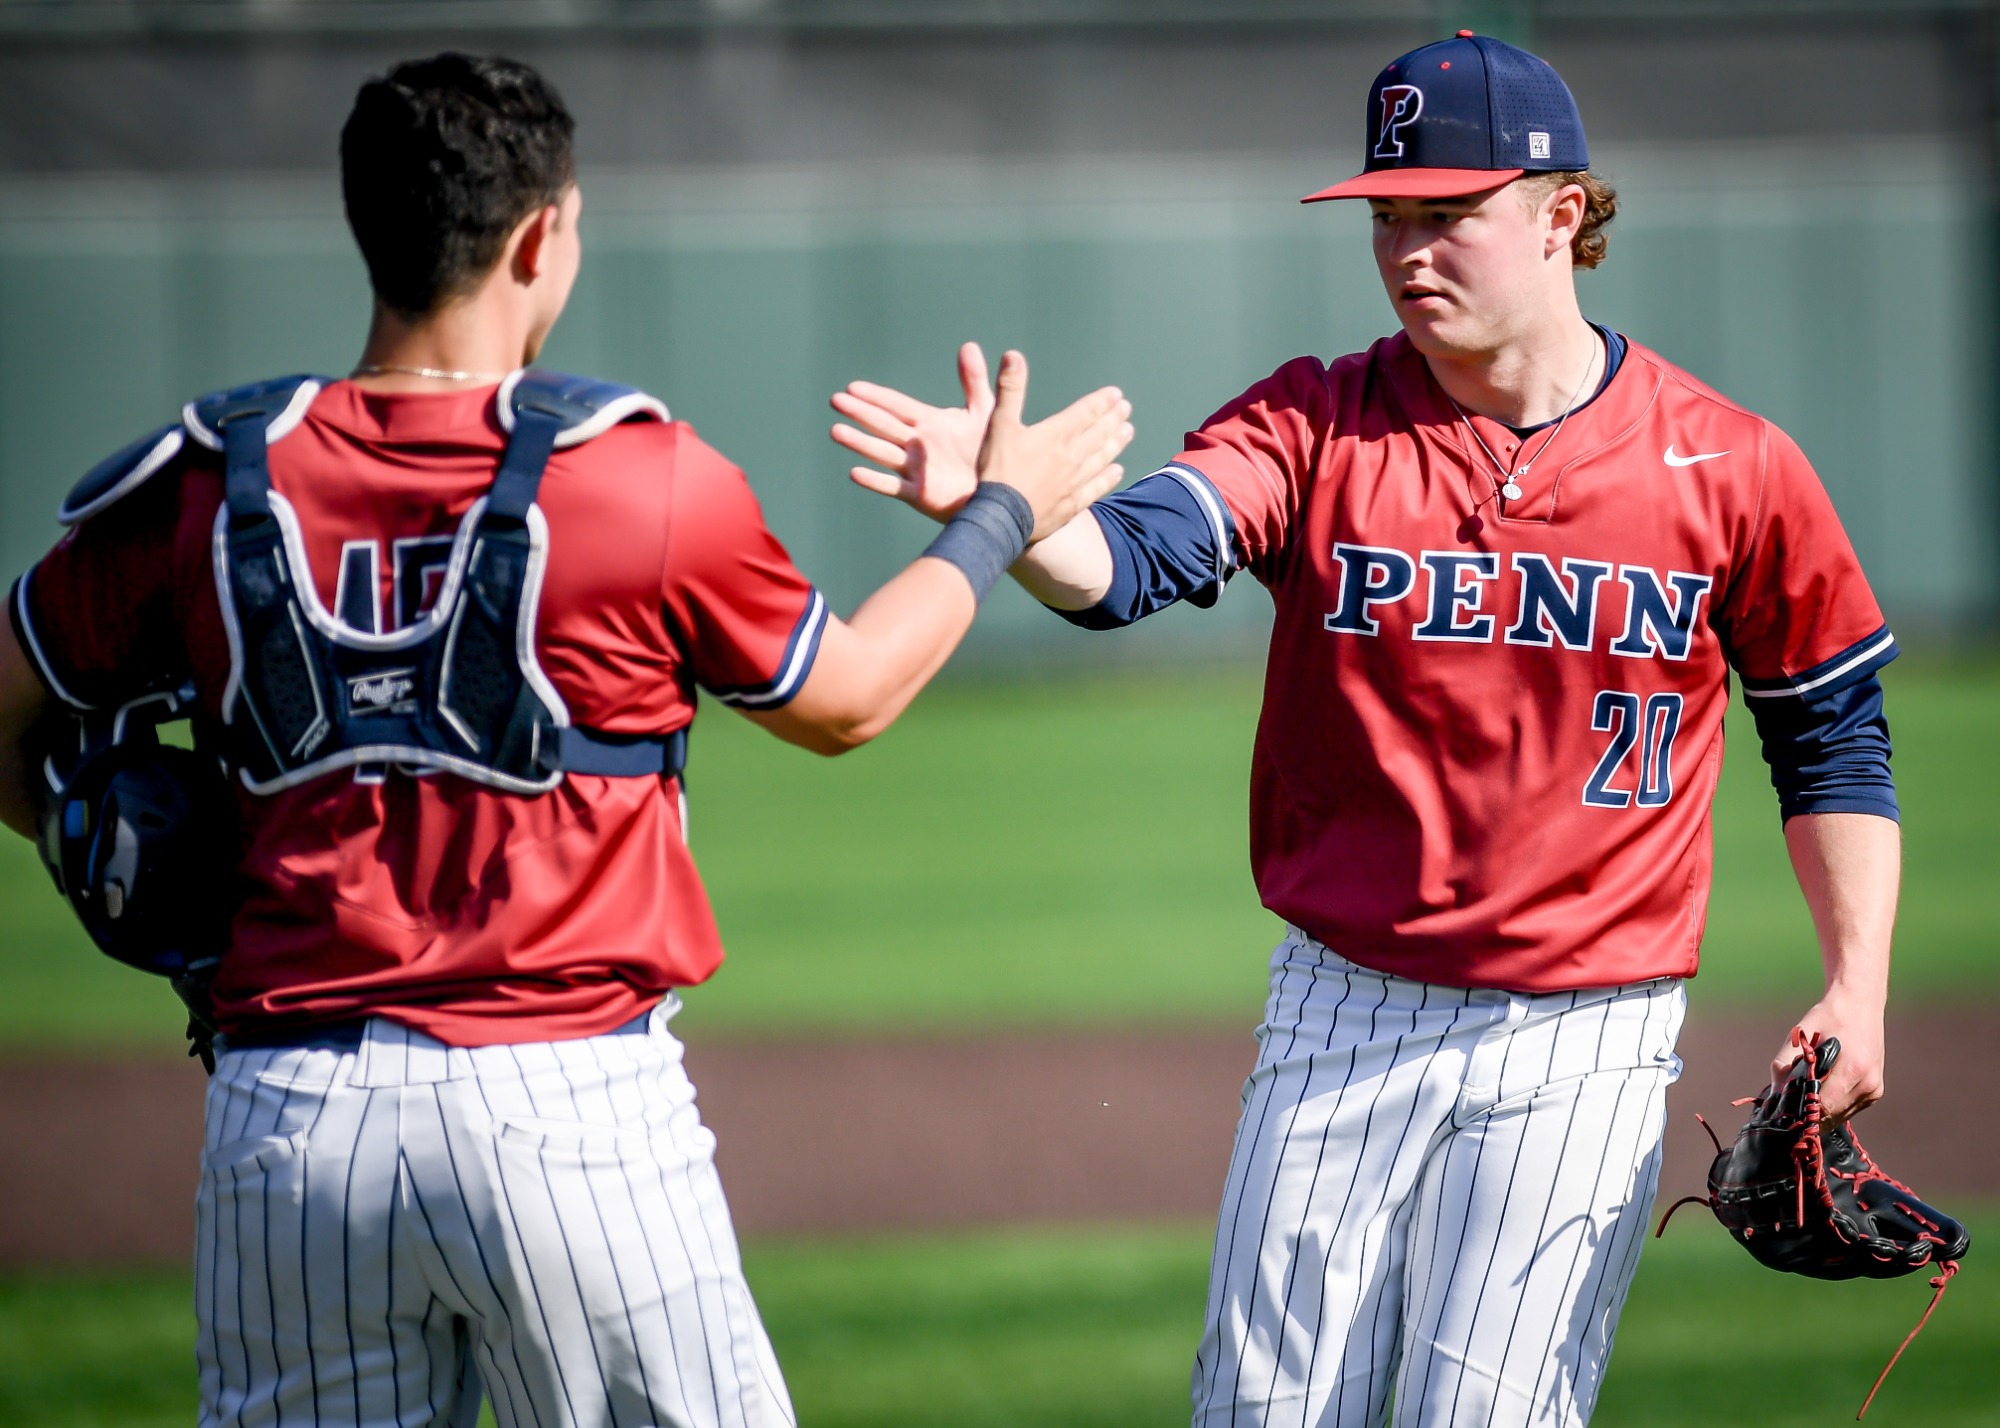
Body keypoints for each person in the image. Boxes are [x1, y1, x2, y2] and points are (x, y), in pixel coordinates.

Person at [0, 52, 1130, 1428]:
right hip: (569, 1112)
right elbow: (849, 699)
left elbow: (12, 717)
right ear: (539, 236)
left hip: (288, 1122)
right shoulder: (640, 480)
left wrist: (84, 841)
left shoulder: (206, 482)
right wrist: (999, 513)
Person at [830, 30, 1901, 1428]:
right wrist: (1011, 517)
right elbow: (1133, 564)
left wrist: (1857, 983)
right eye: (1389, 215)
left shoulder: (1732, 464)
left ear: (1561, 212)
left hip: (1586, 1030)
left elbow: (1830, 734)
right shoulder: (1317, 420)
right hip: (1343, 1008)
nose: (1409, 248)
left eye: (1448, 213)